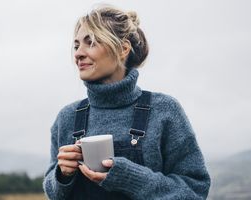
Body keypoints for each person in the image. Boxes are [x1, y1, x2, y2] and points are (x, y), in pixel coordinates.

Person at [43, 5, 211, 200]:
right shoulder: (67, 117)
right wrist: (62, 175)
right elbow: (53, 193)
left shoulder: (164, 110)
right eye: (76, 45)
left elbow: (195, 189)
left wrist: (129, 178)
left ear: (123, 49)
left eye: (91, 42)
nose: (78, 53)